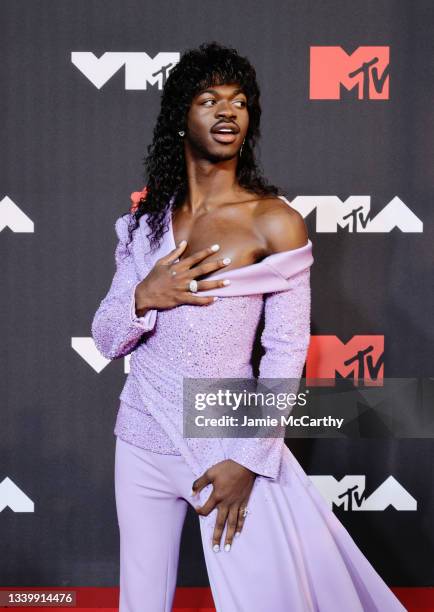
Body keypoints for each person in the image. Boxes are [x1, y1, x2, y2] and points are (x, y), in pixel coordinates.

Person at [91, 42, 406, 612]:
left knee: (265, 599)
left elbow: (286, 353)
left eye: (239, 101)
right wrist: (144, 295)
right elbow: (107, 338)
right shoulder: (144, 225)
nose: (227, 111)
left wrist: (247, 459)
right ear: (180, 117)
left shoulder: (273, 221)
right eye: (209, 99)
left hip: (225, 435)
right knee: (139, 601)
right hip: (139, 433)